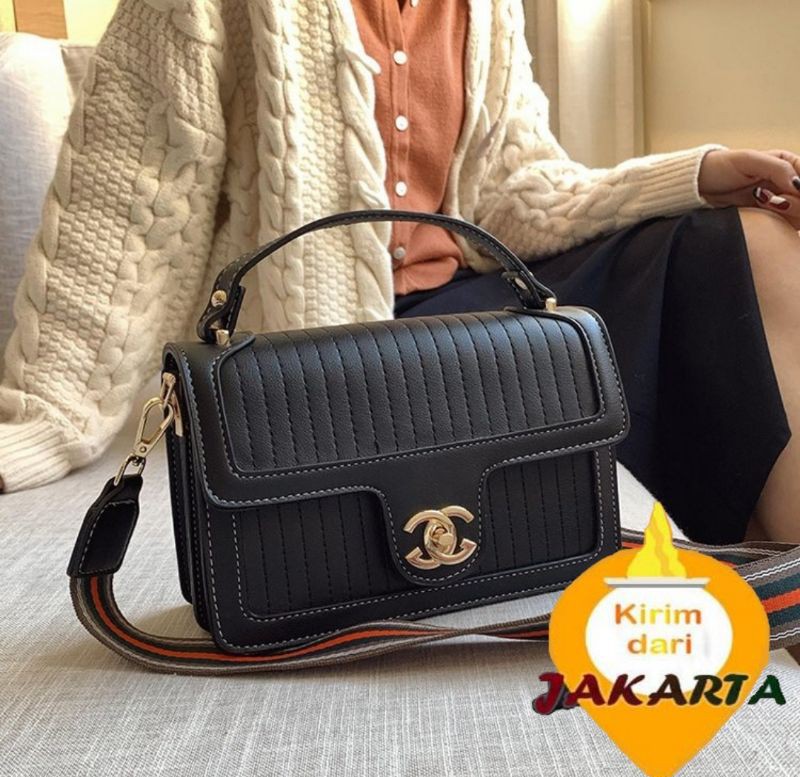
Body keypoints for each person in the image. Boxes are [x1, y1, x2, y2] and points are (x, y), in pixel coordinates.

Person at [0, 0, 798, 549]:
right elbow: (126, 212)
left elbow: (516, 195)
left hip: (470, 307)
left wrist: (698, 175)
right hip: (322, 351)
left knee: (742, 240)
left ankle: (775, 574)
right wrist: (44, 422)